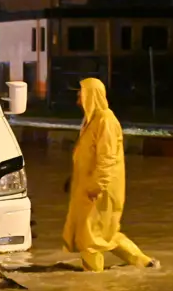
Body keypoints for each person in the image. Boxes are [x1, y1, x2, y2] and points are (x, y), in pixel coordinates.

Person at [63, 77, 159, 272]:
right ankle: (145, 263)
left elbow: (107, 159)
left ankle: (93, 280)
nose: (78, 98)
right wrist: (74, 179)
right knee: (106, 233)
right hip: (91, 187)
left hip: (100, 190)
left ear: (91, 95)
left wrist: (96, 186)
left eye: (80, 93)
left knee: (89, 238)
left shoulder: (105, 121)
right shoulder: (92, 121)